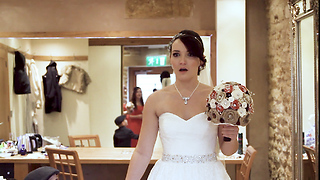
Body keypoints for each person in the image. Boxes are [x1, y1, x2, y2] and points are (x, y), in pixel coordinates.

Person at [125, 30, 239, 180]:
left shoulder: (217, 97)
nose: (182, 61)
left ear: (200, 61)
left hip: (208, 174)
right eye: (177, 54)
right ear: (171, 59)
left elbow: (227, 150)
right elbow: (142, 152)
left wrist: (231, 136)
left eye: (190, 54)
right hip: (168, 174)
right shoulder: (155, 100)